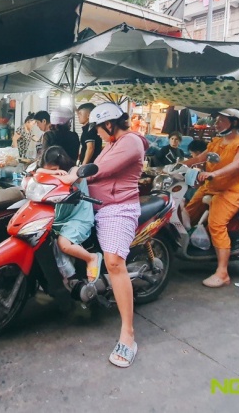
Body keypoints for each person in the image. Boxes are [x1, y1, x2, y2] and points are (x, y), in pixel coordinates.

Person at [87, 103, 148, 368]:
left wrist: (73, 172)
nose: (97, 134)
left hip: (118, 209)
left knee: (114, 263)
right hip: (96, 205)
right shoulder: (110, 144)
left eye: (99, 128)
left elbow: (99, 171)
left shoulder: (131, 141)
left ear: (109, 125)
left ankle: (128, 333)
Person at [180, 109, 239, 289]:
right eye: (216, 121)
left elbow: (238, 164)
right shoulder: (216, 142)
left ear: (234, 123)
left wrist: (213, 173)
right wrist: (174, 166)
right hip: (211, 186)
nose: (216, 124)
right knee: (187, 213)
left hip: (233, 190)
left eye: (221, 121)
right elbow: (200, 158)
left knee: (216, 225)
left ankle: (222, 272)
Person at [38, 146, 101, 282]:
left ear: (63, 164)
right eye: (48, 170)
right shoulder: (54, 172)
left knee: (63, 243)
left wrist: (54, 173)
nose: (52, 174)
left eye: (55, 169)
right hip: (60, 217)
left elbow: (68, 180)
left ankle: (91, 258)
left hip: (79, 218)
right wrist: (50, 171)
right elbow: (36, 173)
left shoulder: (74, 170)